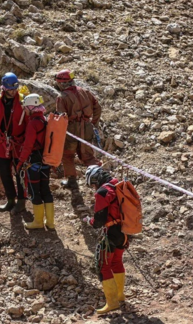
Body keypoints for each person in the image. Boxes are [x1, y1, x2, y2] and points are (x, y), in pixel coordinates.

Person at [83, 165, 127, 314]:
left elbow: (99, 221)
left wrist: (89, 220)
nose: (94, 187)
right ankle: (120, 296)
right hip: (125, 231)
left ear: (95, 179)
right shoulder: (118, 185)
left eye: (93, 184)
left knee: (103, 266)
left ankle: (112, 303)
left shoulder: (102, 192)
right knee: (116, 261)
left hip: (111, 232)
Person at [54, 69, 102, 189]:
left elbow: (61, 117)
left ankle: (72, 181)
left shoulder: (62, 97)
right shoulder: (85, 92)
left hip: (71, 131)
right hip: (86, 128)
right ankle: (100, 181)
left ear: (61, 83)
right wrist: (93, 123)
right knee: (88, 157)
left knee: (67, 155)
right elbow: (98, 107)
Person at [0, 72, 29, 213]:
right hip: (2, 142)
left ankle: (22, 201)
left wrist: (29, 144)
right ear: (4, 88)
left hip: (19, 142)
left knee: (20, 173)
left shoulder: (23, 101)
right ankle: (10, 200)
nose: (13, 91)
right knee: (4, 172)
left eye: (15, 88)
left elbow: (29, 124)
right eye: (10, 89)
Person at [16, 94, 54, 229]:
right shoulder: (44, 120)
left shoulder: (33, 123)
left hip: (34, 162)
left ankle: (38, 222)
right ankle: (50, 223)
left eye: (26, 107)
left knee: (35, 191)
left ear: (31, 107)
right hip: (46, 161)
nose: (24, 110)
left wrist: (20, 162)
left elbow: (28, 145)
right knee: (46, 190)